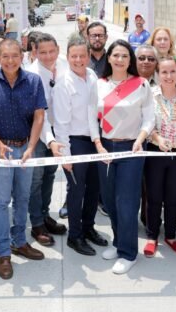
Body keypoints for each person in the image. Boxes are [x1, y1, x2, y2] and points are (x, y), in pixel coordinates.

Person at [0, 38, 47, 280]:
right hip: (0, 152)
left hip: (24, 148)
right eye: (5, 56)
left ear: (22, 56)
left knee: (23, 197)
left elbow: (39, 116)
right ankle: (4, 252)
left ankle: (20, 242)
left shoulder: (33, 81)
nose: (10, 61)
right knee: (2, 202)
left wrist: (31, 147)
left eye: (15, 56)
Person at [96, 40, 154, 275]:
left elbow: (150, 117)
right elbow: (92, 118)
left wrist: (140, 139)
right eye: (115, 55)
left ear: (130, 60)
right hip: (104, 149)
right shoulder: (98, 85)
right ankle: (119, 242)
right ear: (109, 58)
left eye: (124, 56)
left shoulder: (141, 85)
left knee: (127, 203)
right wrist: (98, 145)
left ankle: (129, 253)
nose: (120, 59)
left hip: (132, 148)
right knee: (109, 201)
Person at [53, 36, 106, 256]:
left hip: (94, 140)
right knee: (76, 191)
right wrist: (65, 155)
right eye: (74, 56)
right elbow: (61, 123)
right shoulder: (63, 84)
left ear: (87, 56)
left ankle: (88, 227)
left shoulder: (92, 76)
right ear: (67, 57)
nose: (78, 60)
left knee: (94, 189)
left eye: (82, 55)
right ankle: (75, 236)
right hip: (75, 143)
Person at [143, 57, 176, 258]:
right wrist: (156, 137)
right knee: (153, 196)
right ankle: (152, 236)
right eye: (164, 72)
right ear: (157, 74)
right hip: (155, 152)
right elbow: (145, 122)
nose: (168, 76)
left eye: (172, 71)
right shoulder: (149, 95)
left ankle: (171, 236)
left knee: (174, 197)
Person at [25, 33, 68, 246]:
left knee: (50, 175)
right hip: (38, 134)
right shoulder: (31, 75)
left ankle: (44, 214)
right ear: (34, 52)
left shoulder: (64, 66)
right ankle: (37, 224)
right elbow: (38, 114)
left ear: (58, 49)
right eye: (42, 52)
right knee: (36, 179)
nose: (48, 56)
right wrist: (49, 139)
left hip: (58, 134)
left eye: (52, 51)